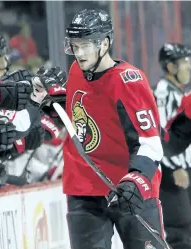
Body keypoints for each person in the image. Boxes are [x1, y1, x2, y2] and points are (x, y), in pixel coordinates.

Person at [62, 9, 164, 248]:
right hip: (84, 190)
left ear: (104, 43)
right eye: (75, 46)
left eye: (85, 45)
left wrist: (136, 180)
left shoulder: (128, 81)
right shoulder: (76, 72)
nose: (79, 53)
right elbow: (80, 114)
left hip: (131, 193)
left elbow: (150, 142)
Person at [154, 43, 191, 249]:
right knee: (180, 232)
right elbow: (161, 137)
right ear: (171, 68)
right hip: (173, 175)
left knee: (188, 231)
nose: (190, 66)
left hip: (184, 171)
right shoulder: (164, 94)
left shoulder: (176, 92)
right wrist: (175, 168)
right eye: (185, 62)